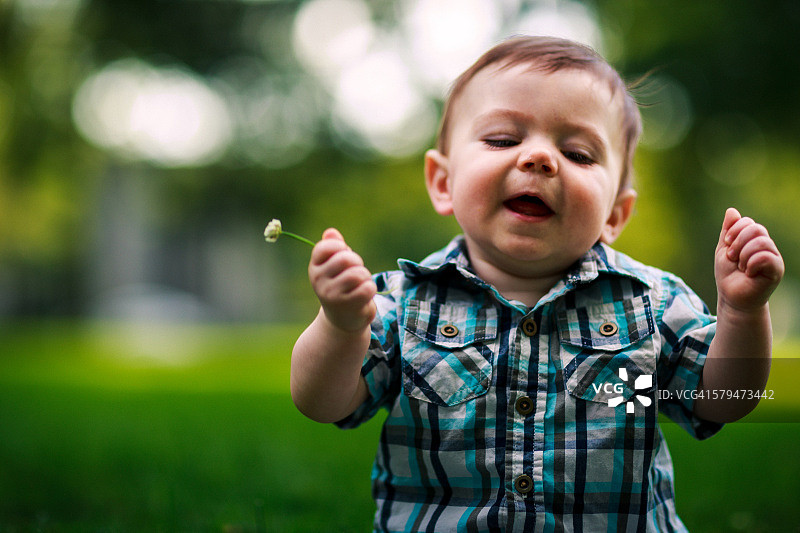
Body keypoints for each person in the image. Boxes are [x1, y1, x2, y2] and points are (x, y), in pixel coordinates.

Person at [290, 36, 784, 532]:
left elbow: (724, 401)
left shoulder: (650, 302)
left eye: (579, 153)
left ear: (615, 213)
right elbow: (323, 401)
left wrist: (741, 312)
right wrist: (339, 326)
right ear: (443, 182)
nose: (540, 158)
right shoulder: (405, 300)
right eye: (504, 140)